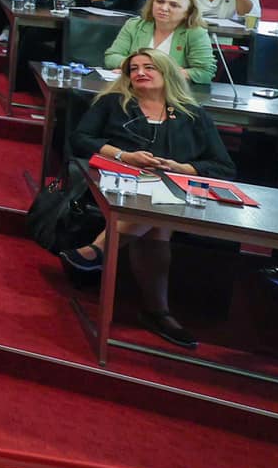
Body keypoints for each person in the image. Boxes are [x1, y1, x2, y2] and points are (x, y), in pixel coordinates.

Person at [61, 50, 234, 349]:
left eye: (149, 67)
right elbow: (80, 138)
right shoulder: (113, 104)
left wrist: (182, 168)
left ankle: (99, 251)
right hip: (115, 179)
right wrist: (123, 155)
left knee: (158, 211)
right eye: (134, 68)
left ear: (166, 72)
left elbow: (224, 167)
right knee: (157, 219)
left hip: (172, 186)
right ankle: (158, 311)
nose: (140, 72)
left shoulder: (194, 115)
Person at [104, 0, 213, 84]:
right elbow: (111, 57)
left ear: (187, 13)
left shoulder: (195, 33)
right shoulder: (134, 25)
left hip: (172, 92)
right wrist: (132, 68)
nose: (163, 8)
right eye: (160, 1)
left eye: (174, 5)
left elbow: (205, 73)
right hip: (133, 86)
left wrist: (152, 71)